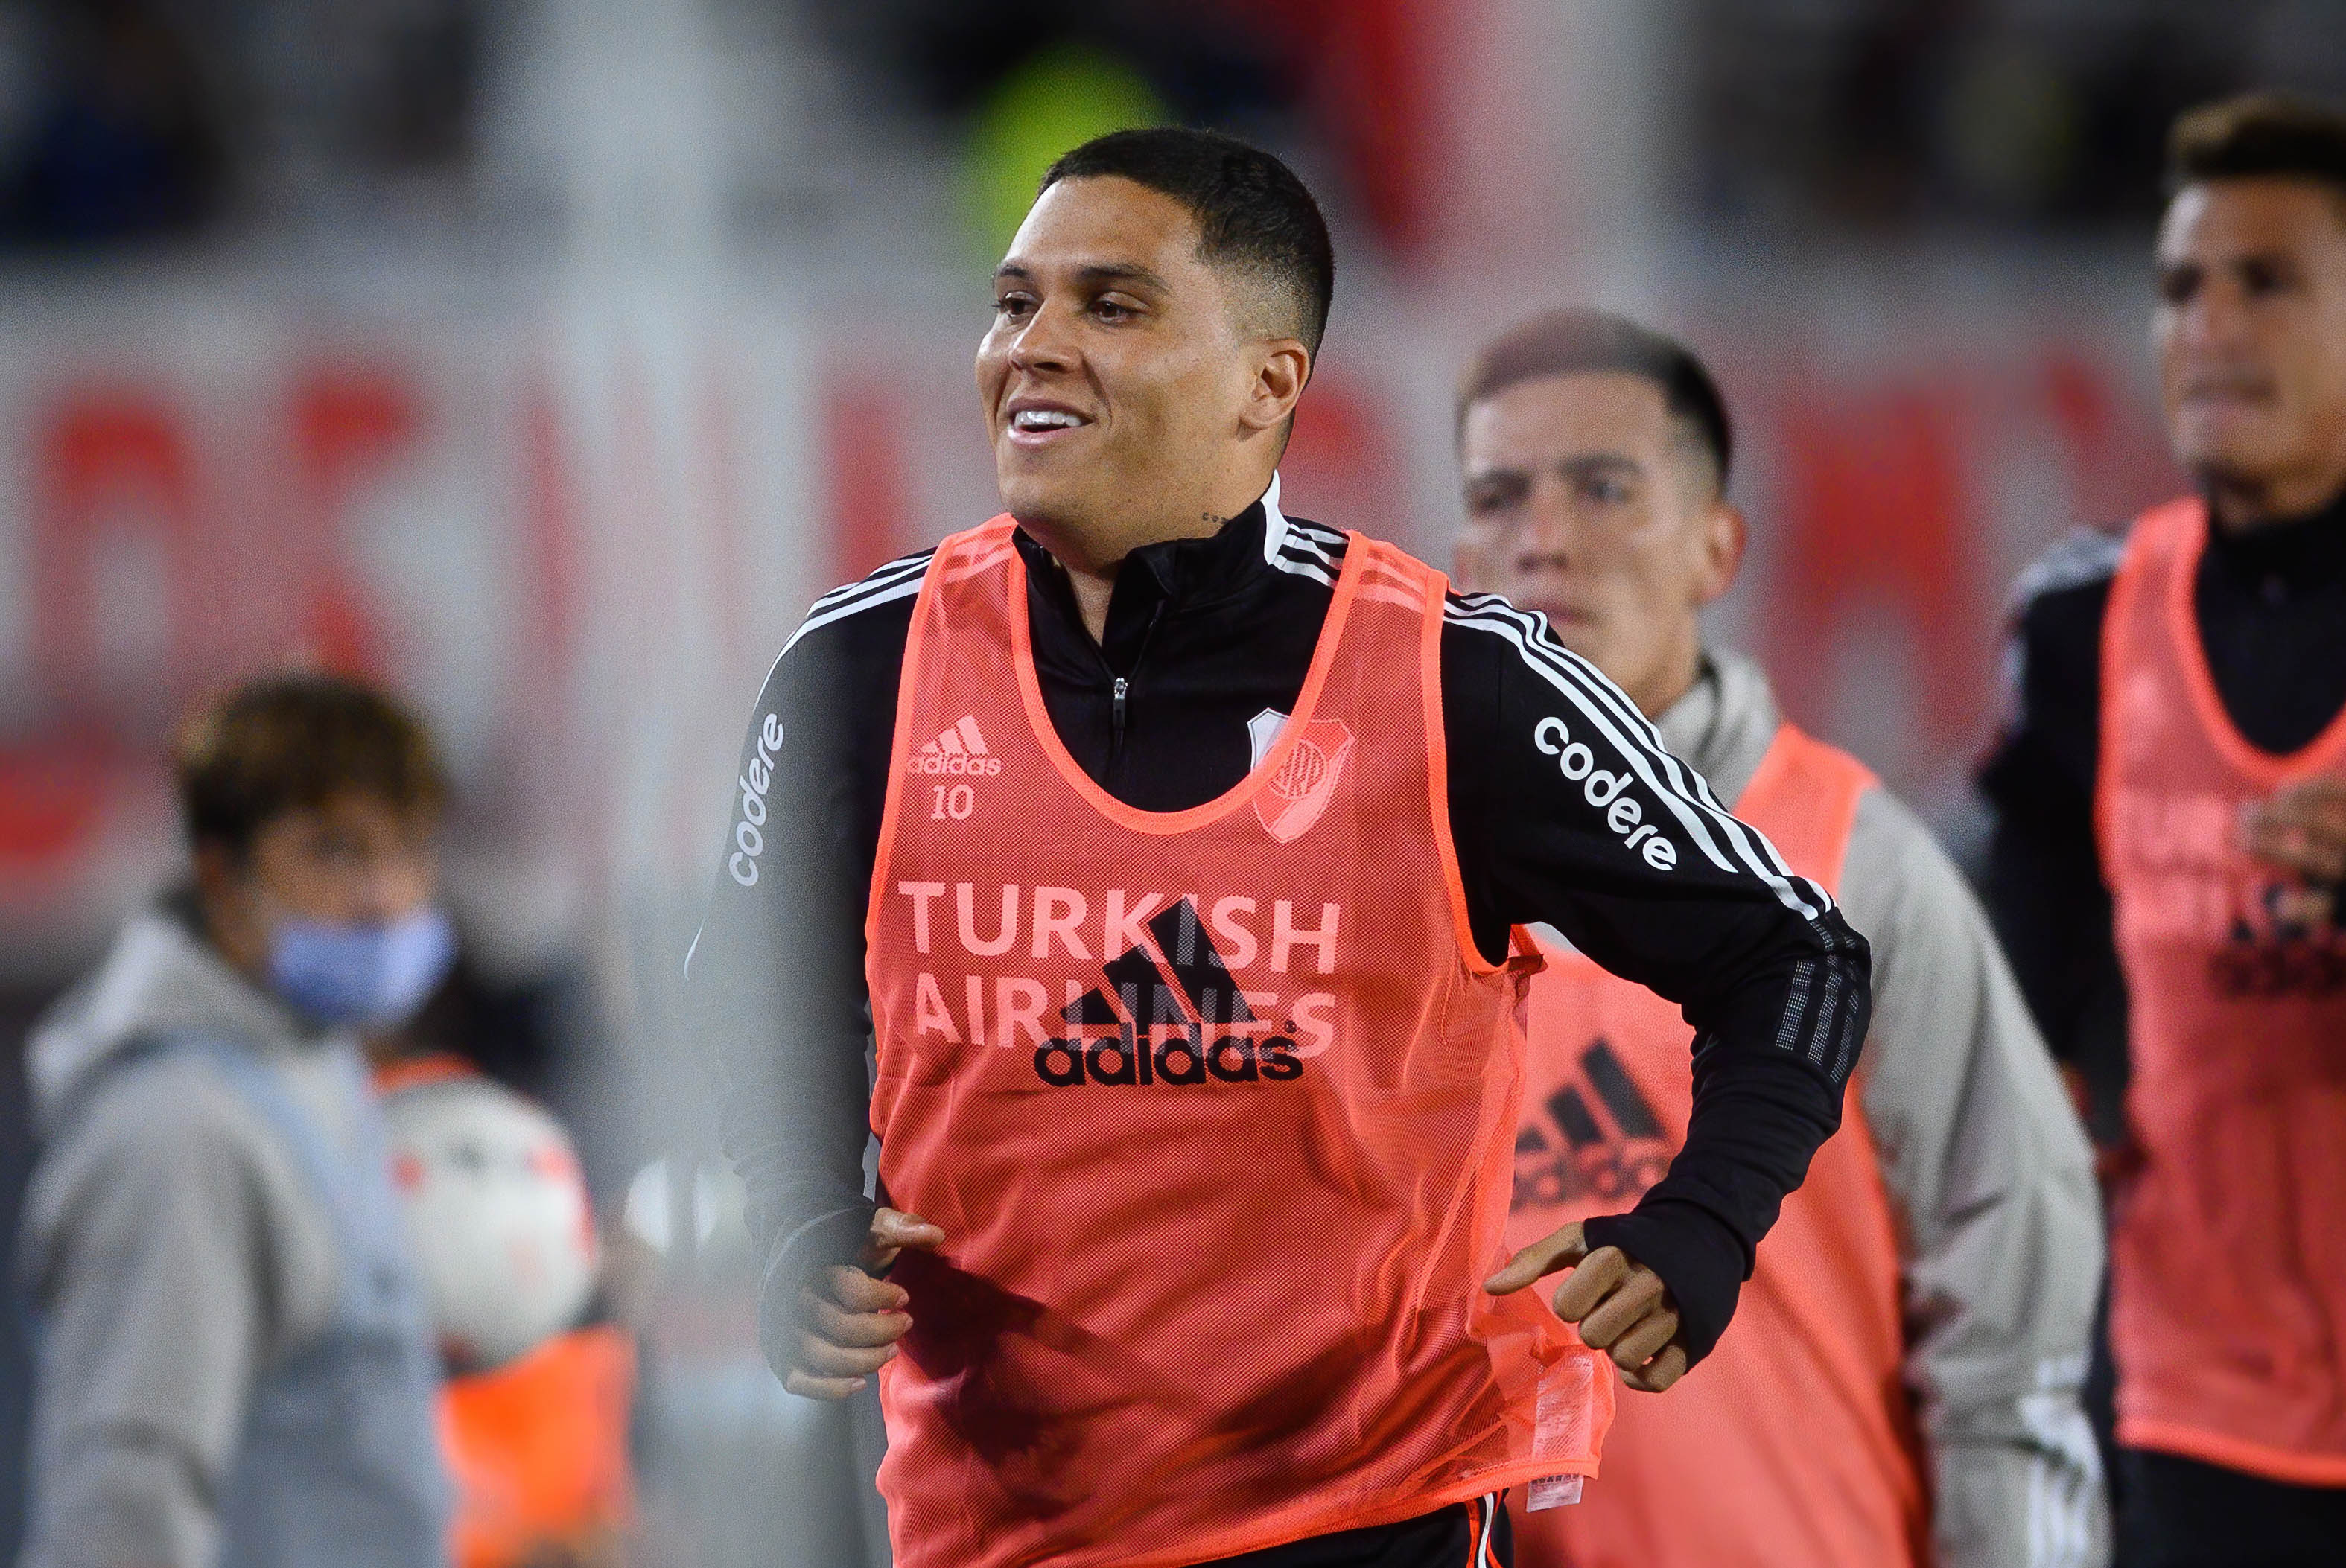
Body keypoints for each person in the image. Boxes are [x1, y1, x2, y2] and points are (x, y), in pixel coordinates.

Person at [691, 127, 1872, 1568]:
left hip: (1373, 1525)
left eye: (1110, 306)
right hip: (993, 1538)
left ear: (1269, 386)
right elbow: (742, 989)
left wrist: (1705, 1219)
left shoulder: (1452, 682)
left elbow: (1796, 953)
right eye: (1014, 303)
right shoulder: (860, 671)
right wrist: (801, 1209)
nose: (1033, 347)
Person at [1454, 308, 2109, 1568]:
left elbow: (2013, 1354)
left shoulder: (1857, 870)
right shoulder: (1391, 889)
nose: (1542, 538)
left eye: (1603, 488)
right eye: (1496, 496)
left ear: (1717, 548)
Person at [1979, 91, 2346, 1568]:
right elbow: (2036, 891)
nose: (2210, 324)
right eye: (2183, 286)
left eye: (2268, 282)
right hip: (2194, 1398)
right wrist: (2060, 1076)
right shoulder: (2082, 623)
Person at [16, 672, 455, 1568]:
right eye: (334, 851)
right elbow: (127, 1495)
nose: (382, 896)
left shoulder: (312, 1066)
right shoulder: (178, 1135)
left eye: (405, 848)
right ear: (223, 874)